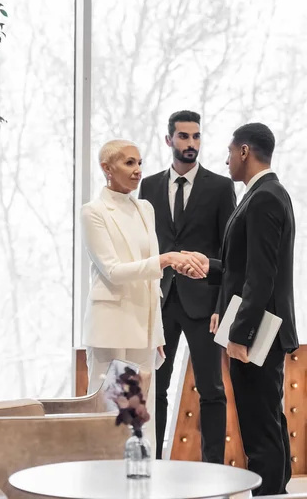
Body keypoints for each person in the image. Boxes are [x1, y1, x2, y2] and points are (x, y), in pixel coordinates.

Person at [181, 123, 299, 495]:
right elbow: (242, 270)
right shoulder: (263, 194)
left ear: (245, 151)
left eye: (230, 152)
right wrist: (207, 266)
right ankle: (275, 493)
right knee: (268, 421)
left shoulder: (265, 197)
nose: (226, 159)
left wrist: (239, 335)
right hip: (259, 329)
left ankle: (270, 494)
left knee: (260, 429)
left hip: (259, 333)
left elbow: (261, 279)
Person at [81, 139, 206, 454]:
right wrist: (166, 260)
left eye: (139, 163)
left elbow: (149, 278)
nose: (137, 170)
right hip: (112, 326)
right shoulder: (93, 212)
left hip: (143, 325)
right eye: (128, 163)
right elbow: (113, 270)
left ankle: (138, 482)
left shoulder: (144, 208)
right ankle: (102, 483)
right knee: (110, 415)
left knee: (140, 419)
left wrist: (158, 331)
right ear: (106, 168)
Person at [139, 110, 236, 461]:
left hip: (204, 303)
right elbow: (145, 245)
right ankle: (153, 466)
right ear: (169, 140)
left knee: (212, 390)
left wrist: (220, 307)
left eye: (196, 136)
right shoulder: (148, 186)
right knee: (156, 388)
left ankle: (214, 469)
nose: (191, 143)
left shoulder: (221, 187)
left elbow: (230, 256)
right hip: (160, 301)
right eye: (183, 137)